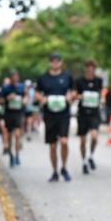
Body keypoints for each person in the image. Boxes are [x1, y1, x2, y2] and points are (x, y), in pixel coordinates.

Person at [36, 52, 74, 182]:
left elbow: (74, 91)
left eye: (57, 60)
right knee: (52, 146)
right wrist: (43, 98)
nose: (55, 63)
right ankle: (55, 171)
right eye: (52, 60)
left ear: (61, 62)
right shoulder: (43, 78)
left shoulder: (67, 76)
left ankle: (64, 167)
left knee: (64, 142)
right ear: (49, 62)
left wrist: (70, 97)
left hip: (64, 114)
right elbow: (37, 93)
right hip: (50, 114)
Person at [74, 59, 103, 174]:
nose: (90, 70)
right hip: (82, 113)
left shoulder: (98, 81)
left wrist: (100, 98)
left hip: (94, 113)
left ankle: (91, 155)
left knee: (94, 137)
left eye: (92, 68)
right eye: (88, 67)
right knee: (83, 140)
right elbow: (75, 95)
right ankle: (84, 161)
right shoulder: (79, 81)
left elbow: (101, 94)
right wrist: (82, 96)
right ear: (85, 68)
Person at [0, 70, 26, 166]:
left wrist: (23, 100)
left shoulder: (21, 87)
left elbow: (26, 97)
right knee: (10, 135)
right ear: (10, 78)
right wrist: (8, 98)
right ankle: (11, 155)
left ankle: (17, 154)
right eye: (13, 77)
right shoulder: (5, 88)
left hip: (19, 113)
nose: (15, 78)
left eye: (16, 76)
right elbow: (0, 100)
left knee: (17, 134)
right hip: (9, 113)